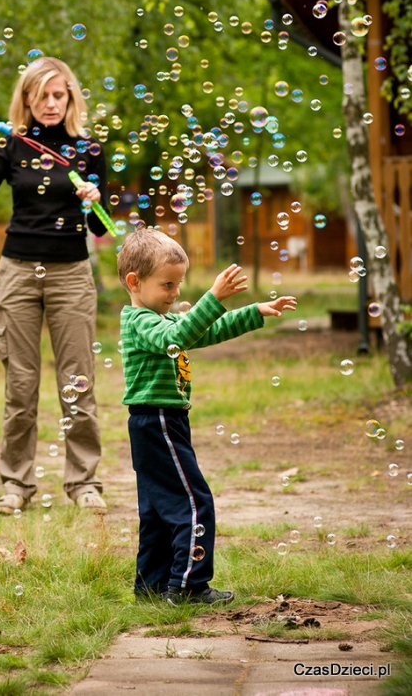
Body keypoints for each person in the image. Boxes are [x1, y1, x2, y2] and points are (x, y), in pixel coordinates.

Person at [117, 228, 297, 605]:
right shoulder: (140, 321)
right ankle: (188, 586)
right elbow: (184, 333)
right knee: (194, 503)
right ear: (135, 282)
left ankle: (150, 586)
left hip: (161, 423)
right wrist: (213, 296)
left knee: (158, 510)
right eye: (168, 284)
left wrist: (254, 313)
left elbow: (203, 332)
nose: (177, 293)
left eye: (179, 284)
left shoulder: (160, 320)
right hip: (158, 422)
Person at [0, 56, 109, 514]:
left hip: (71, 274)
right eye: (41, 95)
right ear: (26, 98)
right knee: (20, 386)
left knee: (77, 382)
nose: (50, 103)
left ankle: (84, 483)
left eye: (58, 95)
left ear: (70, 98)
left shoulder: (88, 150)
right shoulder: (12, 146)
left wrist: (93, 200)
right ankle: (16, 485)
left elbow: (101, 231)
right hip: (18, 272)